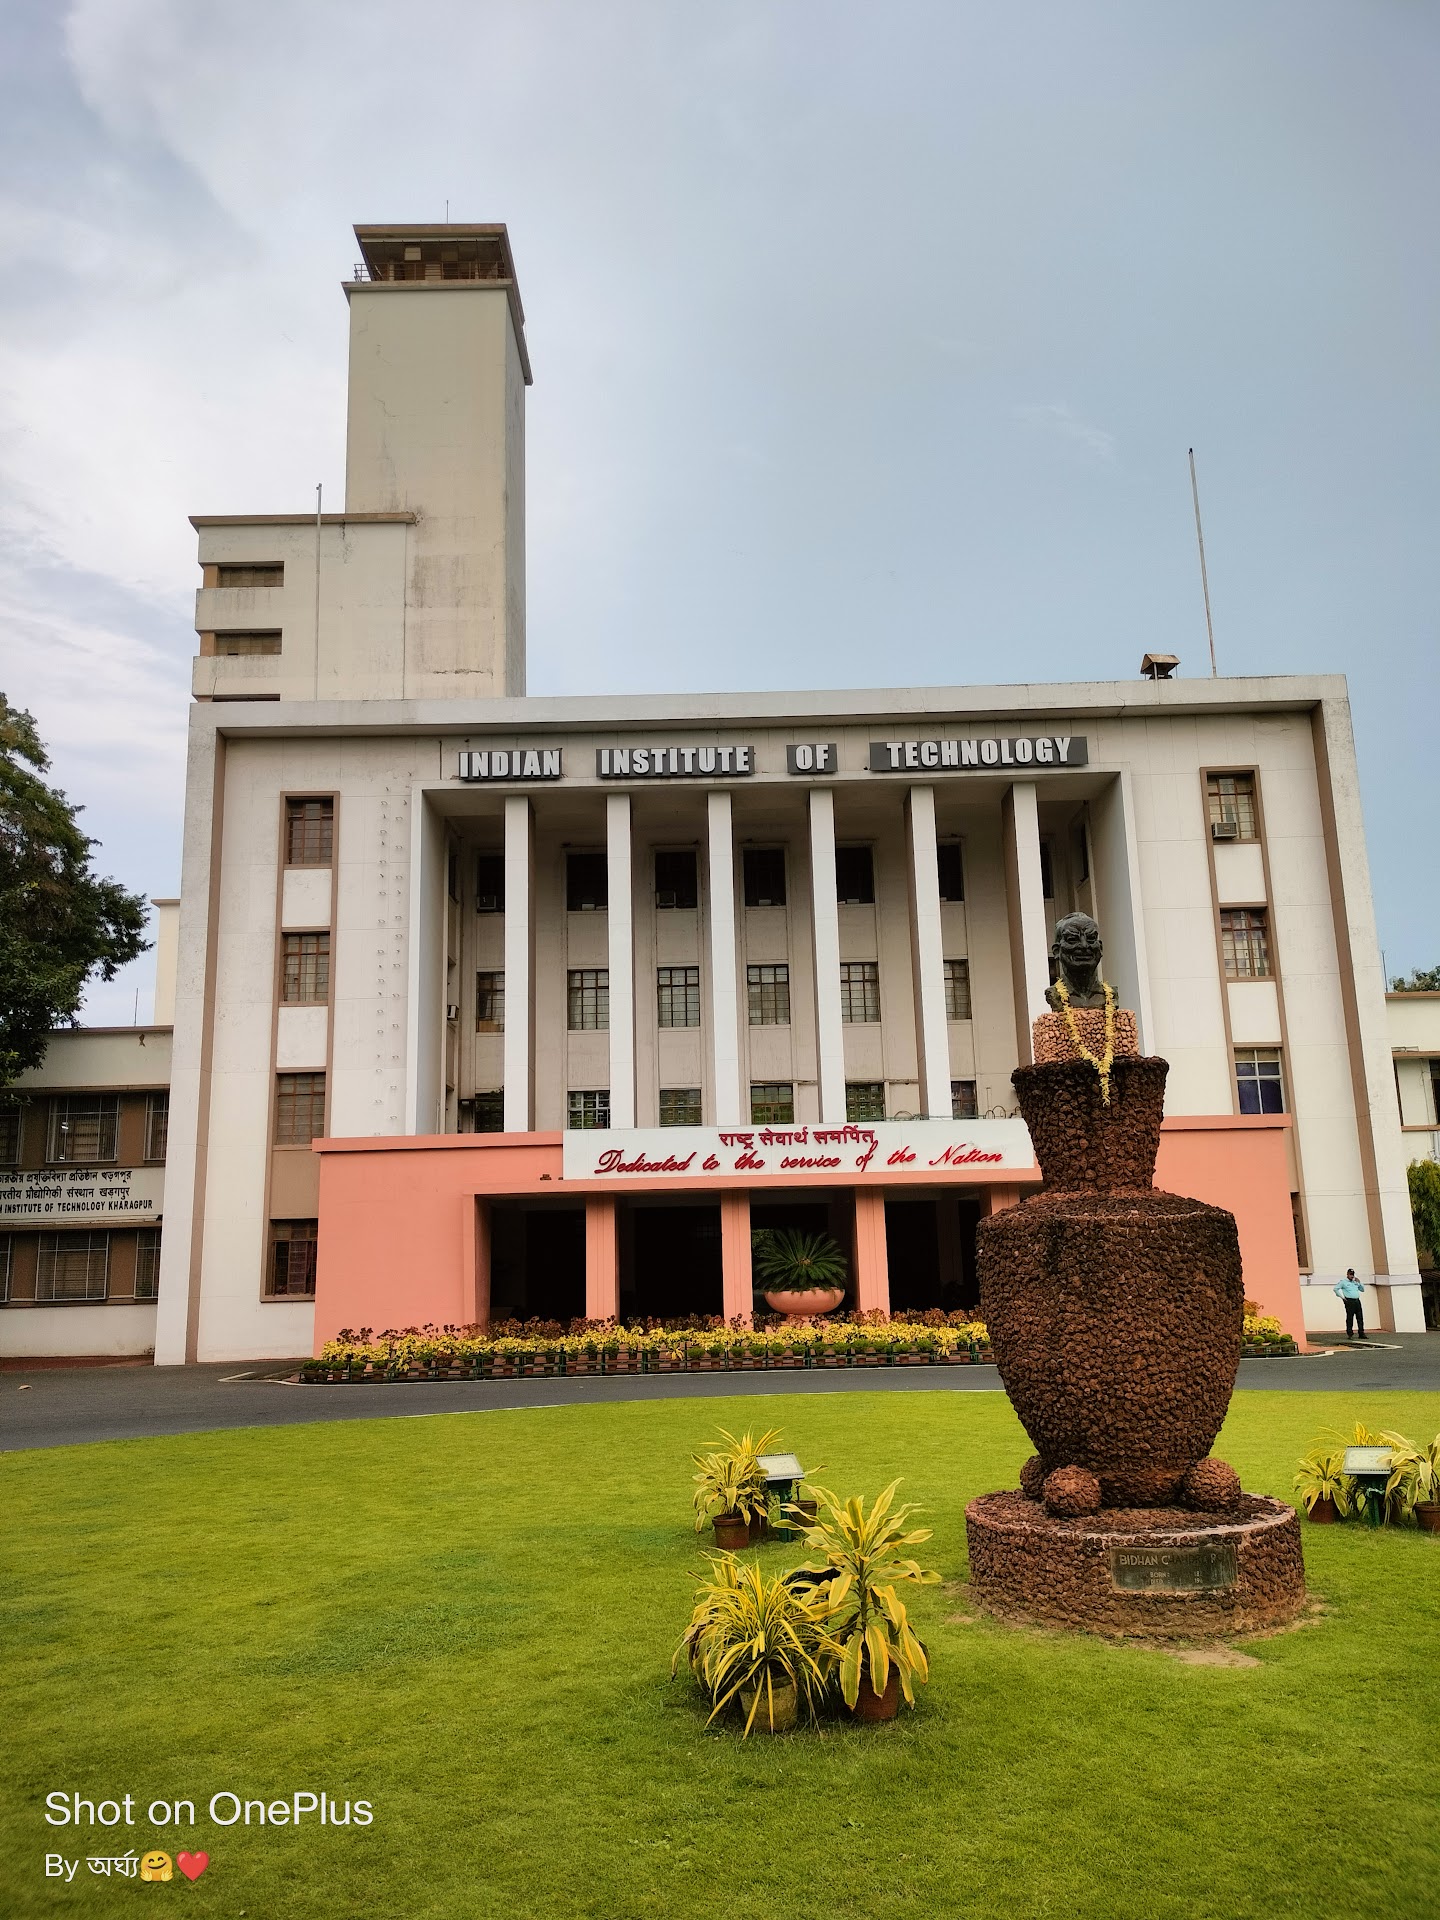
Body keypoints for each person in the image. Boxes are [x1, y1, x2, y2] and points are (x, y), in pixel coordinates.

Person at [1334, 1268, 1367, 1340]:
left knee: (1360, 1317)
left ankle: (1361, 1333)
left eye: (1353, 1274)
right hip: (1349, 1301)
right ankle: (1350, 1333)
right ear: (1347, 1274)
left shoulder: (1355, 1282)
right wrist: (1342, 1297)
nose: (1352, 1276)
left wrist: (1359, 1282)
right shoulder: (1343, 1282)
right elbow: (1335, 1289)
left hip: (1357, 1301)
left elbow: (1362, 1290)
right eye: (1350, 1274)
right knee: (1350, 1317)